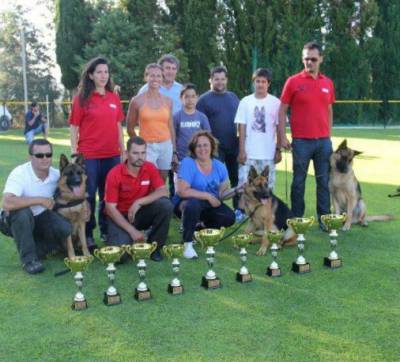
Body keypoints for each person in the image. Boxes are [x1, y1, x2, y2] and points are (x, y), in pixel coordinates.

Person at [278, 41, 335, 230]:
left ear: (321, 59)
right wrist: (282, 136)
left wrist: (329, 135)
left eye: (313, 59)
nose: (309, 62)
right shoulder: (293, 81)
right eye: (306, 59)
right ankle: (297, 219)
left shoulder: (328, 83)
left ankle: (324, 219)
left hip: (323, 143)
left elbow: (329, 109)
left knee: (324, 182)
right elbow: (282, 109)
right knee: (298, 182)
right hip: (301, 142)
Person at [69, 57, 125, 249]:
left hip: (112, 155)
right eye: (99, 72)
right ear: (91, 75)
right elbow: (74, 127)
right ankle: (88, 234)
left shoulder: (113, 98)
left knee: (109, 195)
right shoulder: (81, 99)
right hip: (89, 156)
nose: (103, 75)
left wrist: (123, 151)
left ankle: (107, 230)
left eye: (106, 72)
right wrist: (74, 152)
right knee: (89, 195)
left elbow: (118, 127)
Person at [1, 139, 71, 274]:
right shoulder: (20, 173)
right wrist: (40, 200)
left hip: (40, 217)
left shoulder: (56, 175)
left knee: (65, 228)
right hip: (13, 219)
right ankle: (29, 260)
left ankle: (37, 248)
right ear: (30, 157)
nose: (45, 158)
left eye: (48, 155)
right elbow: (6, 203)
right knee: (22, 212)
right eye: (39, 155)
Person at [104, 136, 173, 262]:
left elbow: (164, 191)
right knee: (120, 256)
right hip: (120, 216)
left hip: (140, 212)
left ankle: (155, 248)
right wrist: (132, 231)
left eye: (143, 152)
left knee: (165, 205)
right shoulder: (114, 174)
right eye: (135, 153)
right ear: (127, 153)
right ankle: (131, 237)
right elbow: (110, 209)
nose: (140, 157)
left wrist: (139, 202)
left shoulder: (150, 167)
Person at [173, 131, 235, 259]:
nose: (202, 149)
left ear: (212, 146)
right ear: (193, 149)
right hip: (187, 203)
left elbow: (222, 194)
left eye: (205, 145)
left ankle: (199, 229)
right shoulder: (187, 162)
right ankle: (187, 244)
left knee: (229, 217)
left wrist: (238, 189)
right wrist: (207, 196)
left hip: (209, 205)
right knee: (193, 205)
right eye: (198, 146)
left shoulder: (219, 166)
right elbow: (182, 191)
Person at [196, 66, 241, 218]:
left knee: (236, 178)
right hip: (214, 148)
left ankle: (239, 210)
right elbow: (200, 126)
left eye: (222, 79)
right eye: (216, 79)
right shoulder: (203, 100)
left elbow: (240, 121)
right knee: (215, 181)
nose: (220, 82)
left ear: (226, 80)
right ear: (211, 80)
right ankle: (213, 210)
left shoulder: (233, 97)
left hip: (233, 145)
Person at [126, 63, 178, 182]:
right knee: (146, 180)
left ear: (162, 78)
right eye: (152, 75)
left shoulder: (168, 101)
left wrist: (173, 150)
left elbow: (170, 127)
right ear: (146, 77)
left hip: (166, 146)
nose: (155, 79)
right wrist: (139, 145)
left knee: (161, 181)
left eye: (158, 76)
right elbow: (130, 128)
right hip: (147, 146)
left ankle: (158, 200)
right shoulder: (137, 101)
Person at [235, 68, 281, 189]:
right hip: (249, 154)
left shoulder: (276, 103)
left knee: (267, 188)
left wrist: (278, 150)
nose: (260, 84)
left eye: (263, 81)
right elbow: (241, 128)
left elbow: (279, 128)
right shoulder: (245, 102)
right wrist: (241, 150)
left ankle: (266, 209)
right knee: (244, 187)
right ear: (253, 83)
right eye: (257, 81)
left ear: (268, 84)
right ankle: (242, 209)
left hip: (268, 154)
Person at [174, 83, 211, 162]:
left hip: (199, 158)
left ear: (197, 98)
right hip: (181, 158)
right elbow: (172, 138)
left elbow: (208, 137)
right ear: (181, 98)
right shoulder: (176, 117)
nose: (190, 100)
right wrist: (174, 154)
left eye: (193, 96)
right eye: (186, 97)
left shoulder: (202, 117)